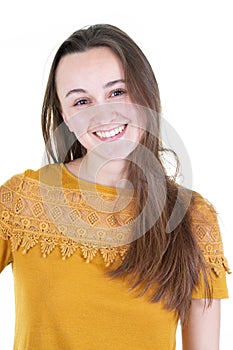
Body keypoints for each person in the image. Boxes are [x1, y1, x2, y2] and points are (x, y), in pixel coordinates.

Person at [0, 24, 230, 350]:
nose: (103, 113)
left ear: (145, 94)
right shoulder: (21, 200)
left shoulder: (194, 218)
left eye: (117, 92)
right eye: (81, 101)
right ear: (63, 115)